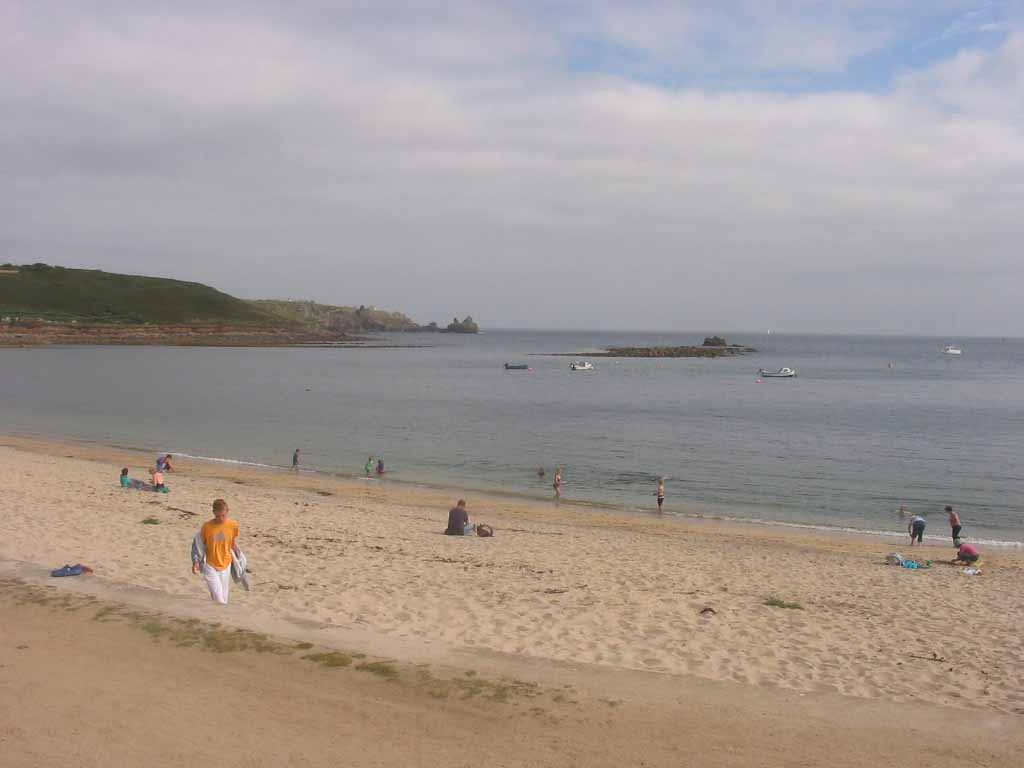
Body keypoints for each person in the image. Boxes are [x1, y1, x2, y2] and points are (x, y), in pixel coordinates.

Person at [191, 499, 241, 604]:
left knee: (224, 599)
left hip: (226, 564)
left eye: (223, 515)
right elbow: (198, 545)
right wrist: (196, 562)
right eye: (218, 516)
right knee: (219, 600)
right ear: (213, 512)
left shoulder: (233, 525)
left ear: (227, 511)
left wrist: (239, 557)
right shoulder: (207, 527)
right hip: (210, 565)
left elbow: (232, 542)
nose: (220, 519)